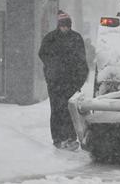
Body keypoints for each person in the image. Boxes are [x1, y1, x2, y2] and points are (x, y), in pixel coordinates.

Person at [38, 10, 89, 151]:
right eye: (62, 25)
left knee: (69, 111)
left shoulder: (76, 38)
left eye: (67, 25)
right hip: (55, 82)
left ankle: (71, 138)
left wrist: (79, 80)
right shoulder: (50, 38)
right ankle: (58, 139)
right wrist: (53, 68)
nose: (65, 28)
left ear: (70, 25)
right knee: (56, 110)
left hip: (71, 82)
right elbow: (42, 54)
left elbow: (82, 61)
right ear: (58, 25)